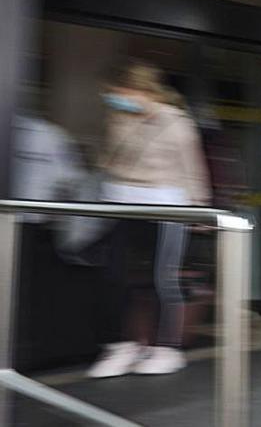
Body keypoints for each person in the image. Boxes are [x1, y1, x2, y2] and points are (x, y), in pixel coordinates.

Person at [87, 61, 211, 378]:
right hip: (119, 202)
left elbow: (192, 168)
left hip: (164, 204)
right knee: (112, 275)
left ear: (142, 90)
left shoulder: (177, 123)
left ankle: (166, 349)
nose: (115, 98)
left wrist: (200, 206)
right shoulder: (117, 118)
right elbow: (107, 160)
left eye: (120, 92)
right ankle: (120, 346)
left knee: (162, 278)